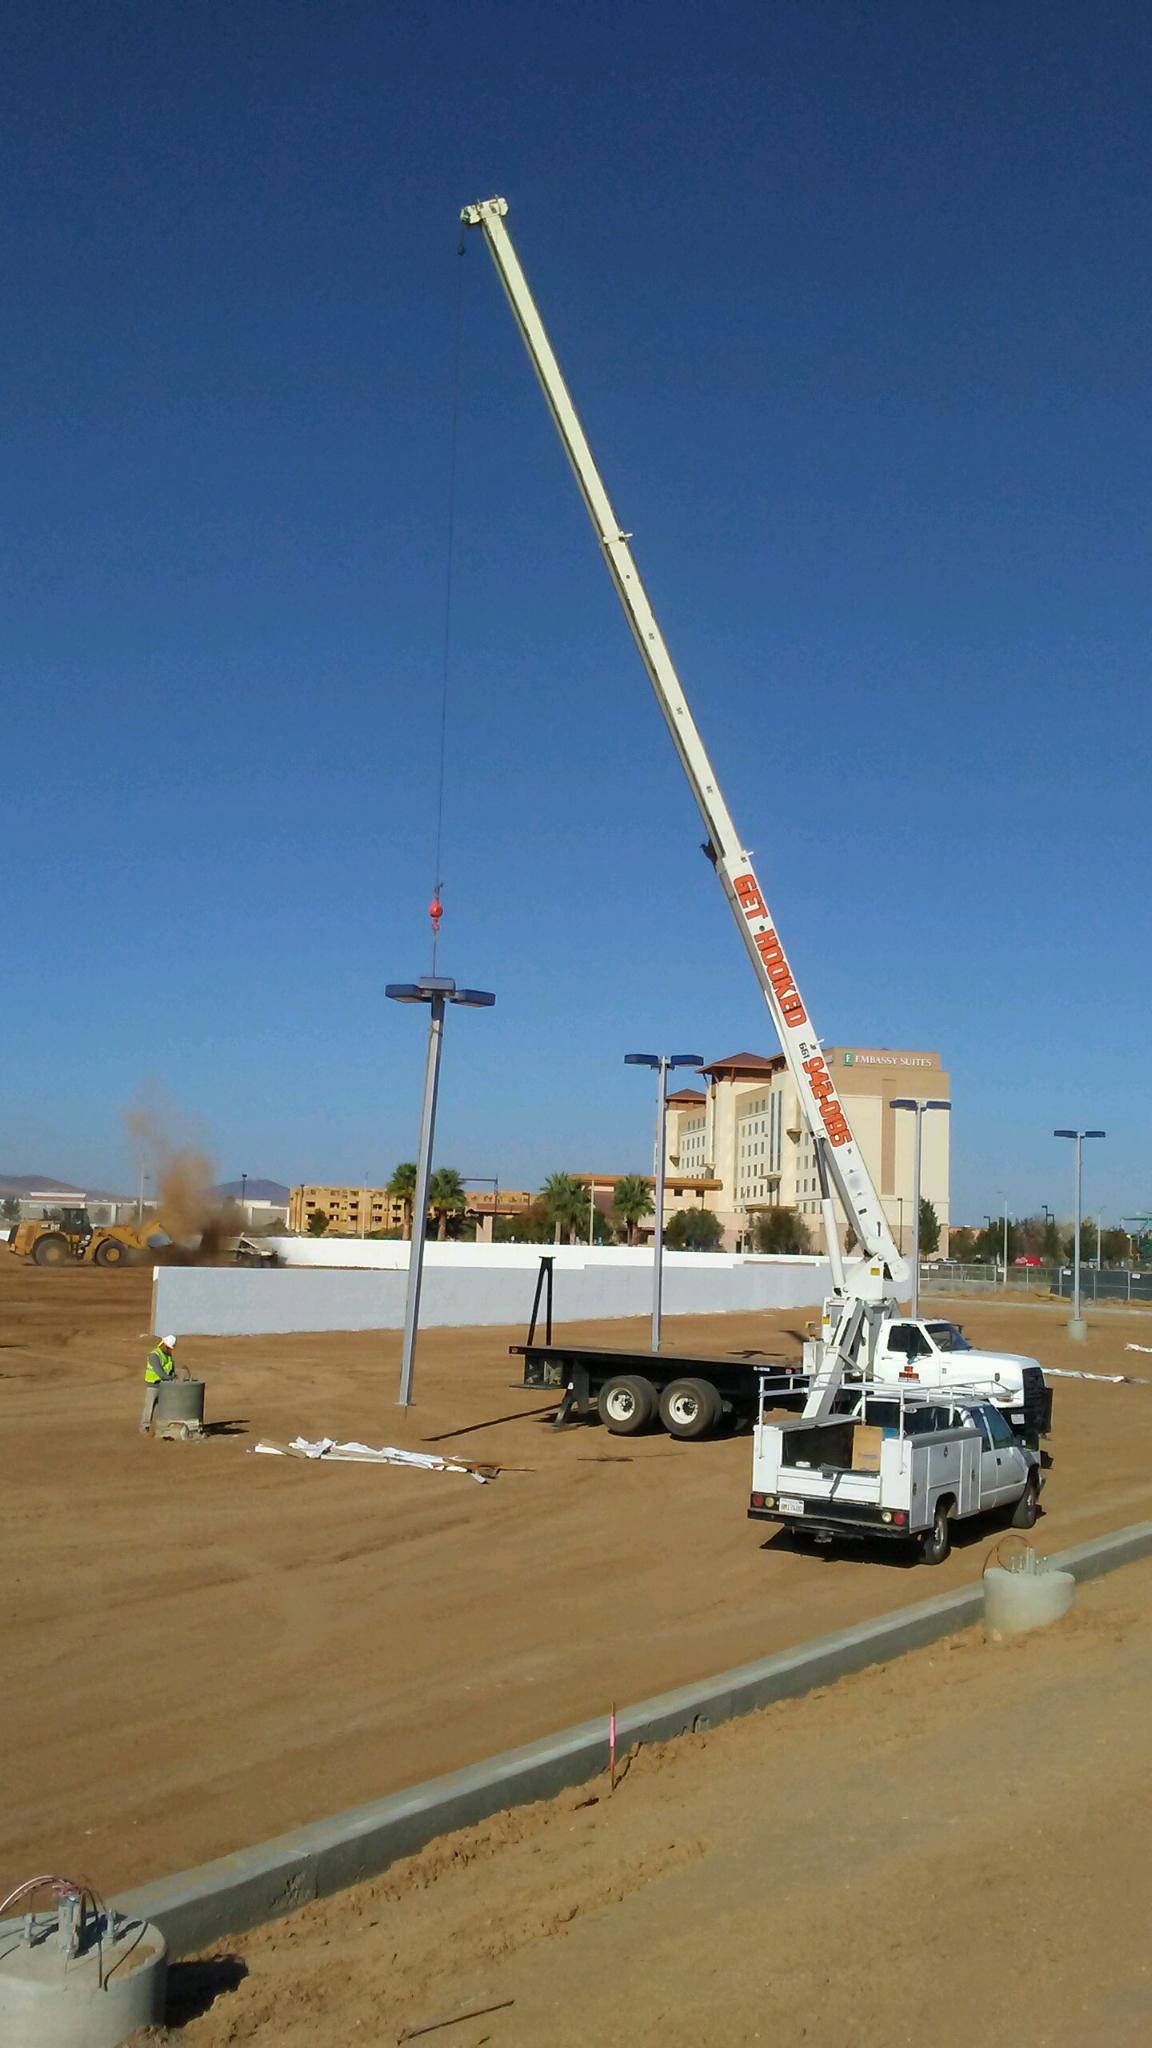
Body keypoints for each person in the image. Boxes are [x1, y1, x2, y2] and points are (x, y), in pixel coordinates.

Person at [140, 1333, 180, 1433]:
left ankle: (162, 1429)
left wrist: (172, 1376)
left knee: (163, 1409)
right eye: (168, 1348)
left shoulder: (168, 1356)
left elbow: (171, 1369)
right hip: (153, 1386)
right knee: (149, 1408)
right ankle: (144, 1428)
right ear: (163, 1344)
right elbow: (160, 1373)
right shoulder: (154, 1355)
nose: (169, 1350)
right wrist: (170, 1378)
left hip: (164, 1386)